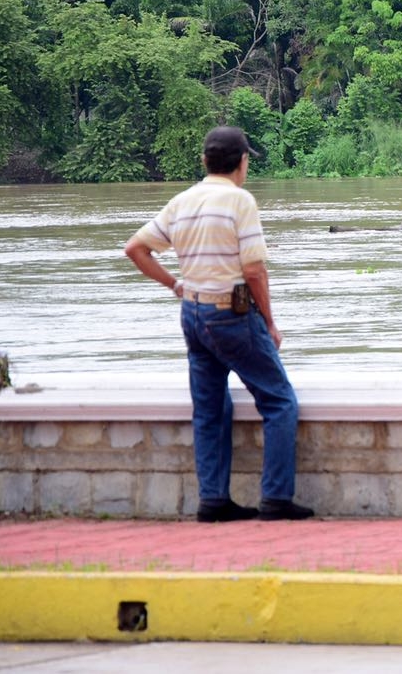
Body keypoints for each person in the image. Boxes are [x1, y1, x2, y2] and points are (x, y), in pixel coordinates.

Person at [124, 126, 314, 523]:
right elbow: (254, 269)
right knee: (279, 401)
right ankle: (276, 498)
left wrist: (174, 284)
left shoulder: (182, 201)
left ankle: (213, 499)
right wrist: (271, 322)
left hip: (192, 315)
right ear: (243, 162)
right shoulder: (239, 201)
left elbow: (136, 249)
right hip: (231, 315)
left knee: (209, 409)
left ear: (204, 161)